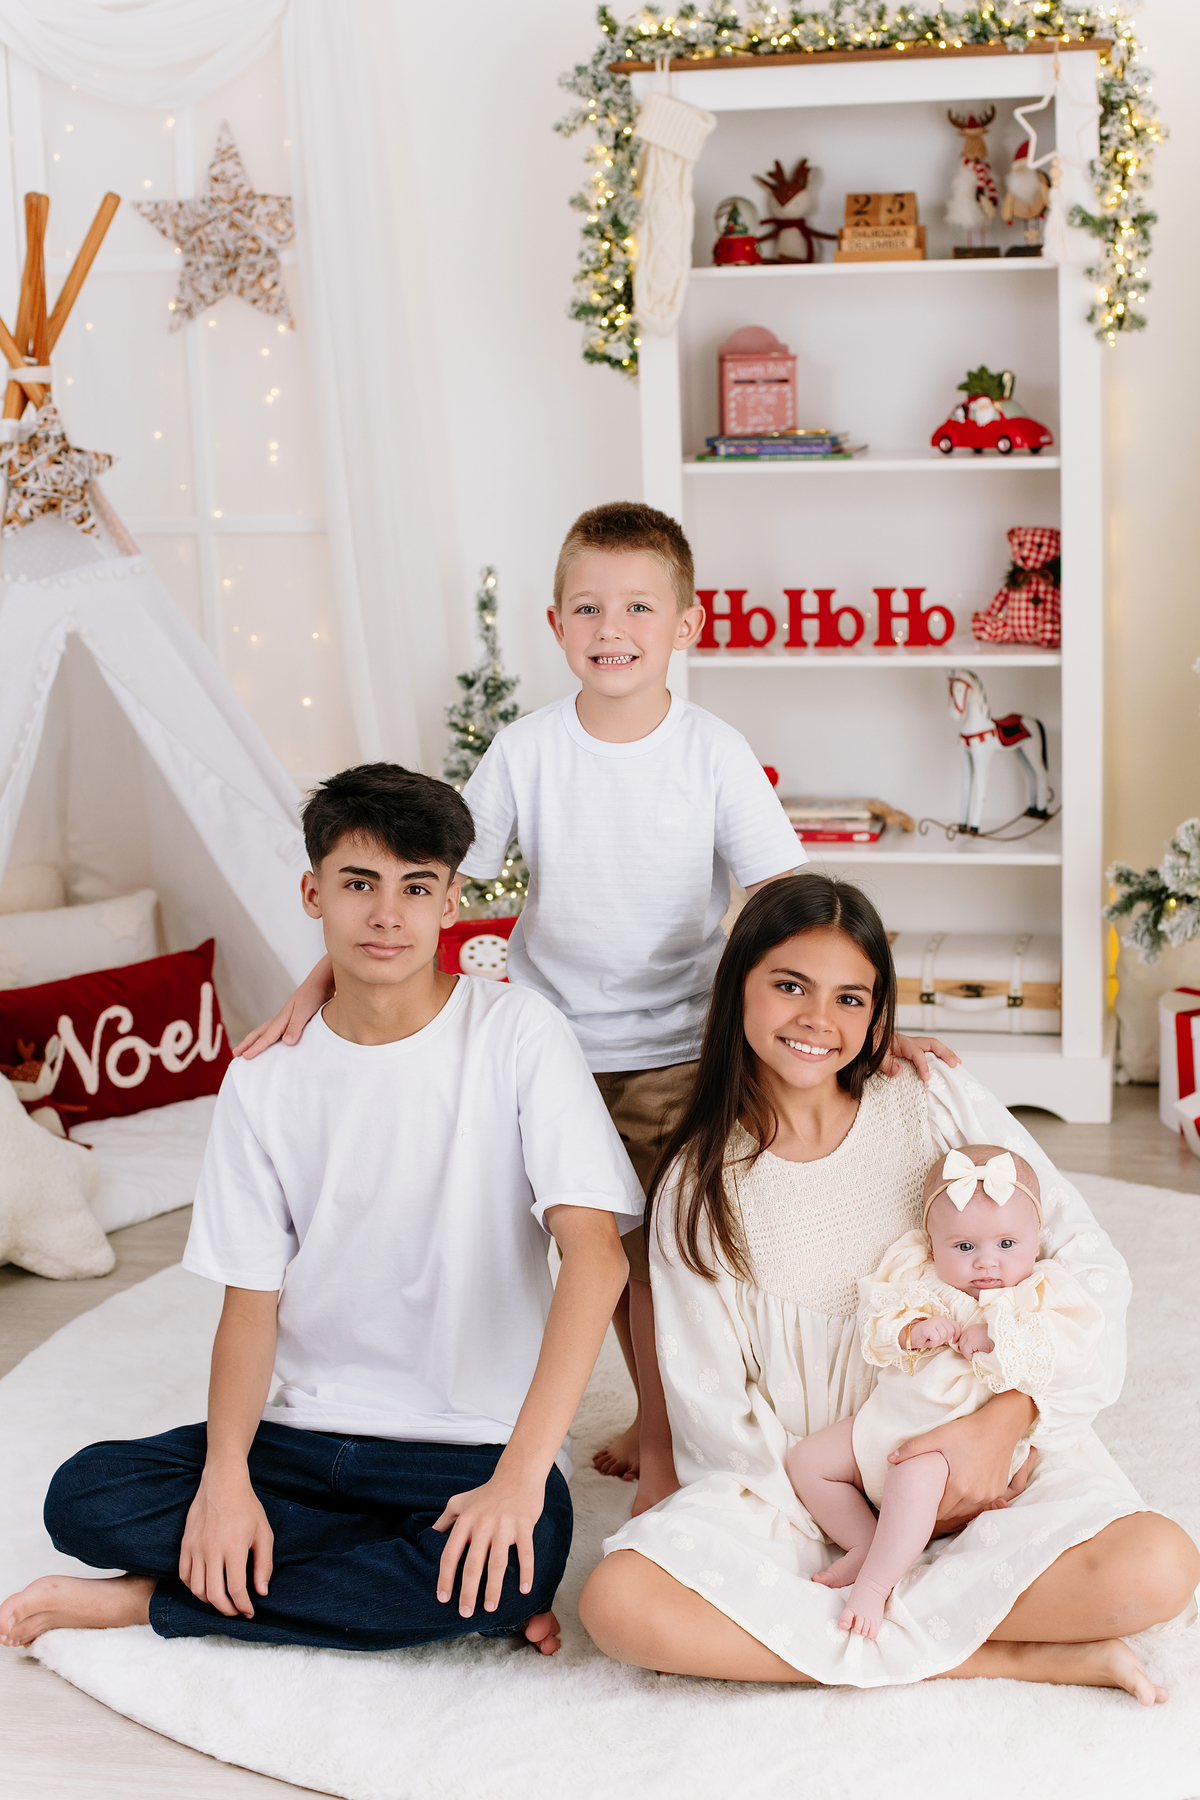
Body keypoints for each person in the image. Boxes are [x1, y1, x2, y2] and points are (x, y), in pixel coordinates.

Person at [232, 502, 954, 1512]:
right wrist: (319, 983)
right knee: (587, 1245)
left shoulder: (711, 751)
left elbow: (789, 903)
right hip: (547, 1045)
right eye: (588, 608)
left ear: (686, 625)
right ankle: (597, 1416)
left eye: (638, 608)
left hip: (676, 1045)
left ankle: (663, 1442)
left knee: (658, 1257)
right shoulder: (527, 750)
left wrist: (866, 1019)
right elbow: (429, 879)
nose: (612, 629)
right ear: (555, 623)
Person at [0, 764, 642, 1656]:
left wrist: (519, 1477)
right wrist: (228, 1479)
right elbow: (250, 1301)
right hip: (300, 1440)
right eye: (359, 884)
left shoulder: (519, 1035)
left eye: (415, 887)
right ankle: (403, 1577)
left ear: (450, 901)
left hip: (471, 1446)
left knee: (516, 1562)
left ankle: (152, 1603)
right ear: (314, 894)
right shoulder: (264, 1079)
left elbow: (597, 1256)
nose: (387, 915)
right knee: (86, 1497)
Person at [580, 872, 1200, 1702]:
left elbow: (1087, 1269)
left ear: (878, 1015)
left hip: (985, 1459)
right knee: (621, 1603)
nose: (818, 1020)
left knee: (1160, 1565)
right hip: (809, 1502)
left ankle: (857, 1622)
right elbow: (715, 1412)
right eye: (790, 986)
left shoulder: (931, 1100)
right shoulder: (700, 1186)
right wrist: (845, 1517)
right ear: (738, 988)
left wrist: (1003, 1425)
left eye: (850, 998)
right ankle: (1002, 1651)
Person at [789, 1146, 1104, 1641]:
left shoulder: (1036, 1294)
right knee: (807, 1460)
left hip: (954, 1446)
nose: (986, 1262)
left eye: (1007, 1243)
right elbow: (878, 1324)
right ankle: (864, 1542)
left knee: (913, 1477)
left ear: (1036, 1239)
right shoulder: (920, 1278)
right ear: (933, 1245)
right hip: (887, 1424)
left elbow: (1064, 1350)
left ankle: (875, 1585)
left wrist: (996, 1338)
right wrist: (912, 1331)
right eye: (964, 1247)